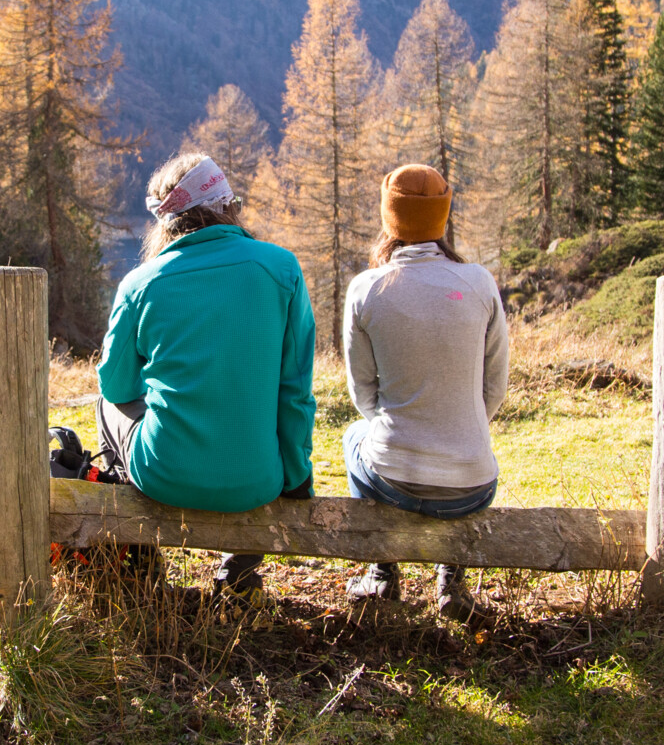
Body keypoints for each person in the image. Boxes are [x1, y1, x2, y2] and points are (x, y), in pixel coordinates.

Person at [95, 153, 317, 606]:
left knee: (105, 406)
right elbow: (295, 392)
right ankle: (239, 569)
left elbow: (116, 388)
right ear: (226, 204)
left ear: (166, 220)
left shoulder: (140, 283)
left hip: (161, 475)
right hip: (258, 481)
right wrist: (295, 479)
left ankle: (137, 560)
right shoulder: (281, 268)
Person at [340, 164, 509, 621]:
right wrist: (454, 424)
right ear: (443, 215)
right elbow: (494, 388)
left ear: (388, 217)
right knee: (464, 444)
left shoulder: (365, 289)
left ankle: (381, 573)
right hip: (472, 485)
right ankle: (451, 581)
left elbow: (364, 395)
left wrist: (405, 436)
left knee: (354, 436)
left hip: (391, 479)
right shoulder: (478, 283)